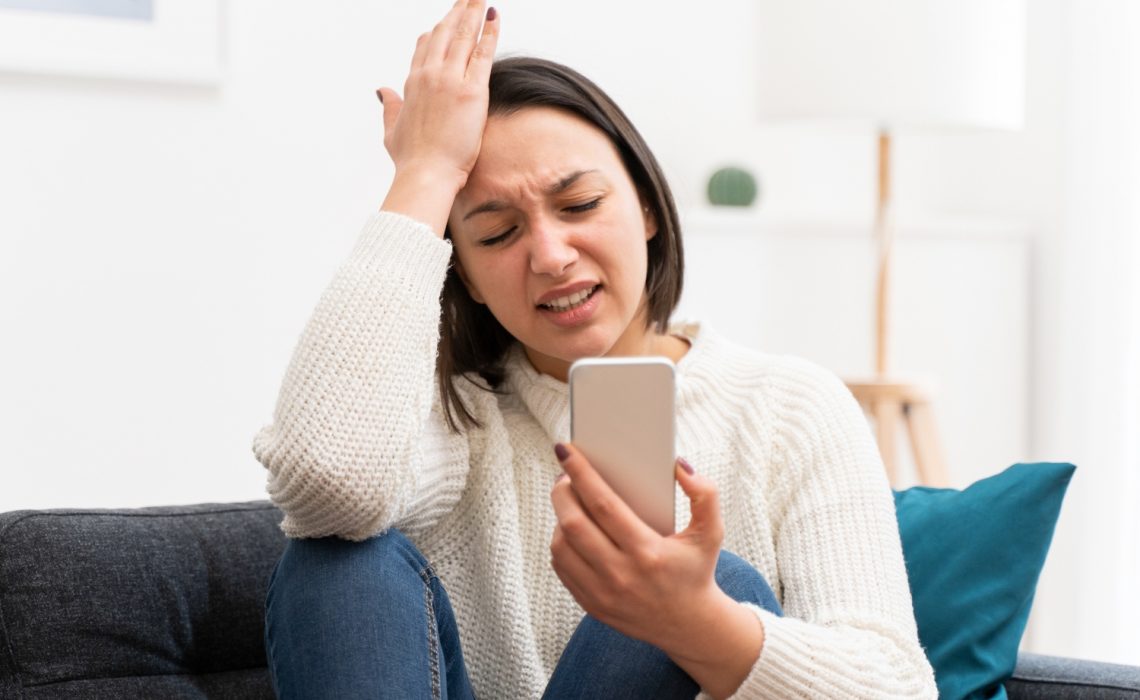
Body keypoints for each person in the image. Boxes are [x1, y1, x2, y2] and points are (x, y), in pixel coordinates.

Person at [254, 1, 938, 698]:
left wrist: (697, 622)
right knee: (337, 561)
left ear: (645, 206)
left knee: (718, 582)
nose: (551, 256)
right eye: (496, 235)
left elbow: (897, 688)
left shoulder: (790, 410)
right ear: (467, 276)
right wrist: (424, 174)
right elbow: (327, 485)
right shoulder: (455, 419)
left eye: (579, 205)